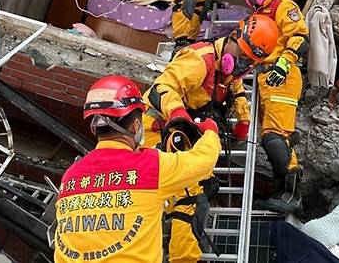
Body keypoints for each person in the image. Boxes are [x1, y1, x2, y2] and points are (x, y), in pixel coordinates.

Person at [142, 14, 278, 262]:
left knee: (196, 192)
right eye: (241, 56)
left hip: (186, 133)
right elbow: (161, 88)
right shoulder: (199, 60)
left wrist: (243, 120)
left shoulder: (228, 67)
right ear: (234, 37)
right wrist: (177, 112)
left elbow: (234, 88)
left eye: (249, 62)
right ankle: (179, 256)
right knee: (187, 198)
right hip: (161, 130)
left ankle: (176, 245)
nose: (241, 65)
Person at [53, 75, 221, 263]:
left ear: (94, 127)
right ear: (136, 126)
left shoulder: (71, 176)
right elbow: (203, 161)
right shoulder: (150, 167)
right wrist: (210, 132)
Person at [236, 0, 311, 214]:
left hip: (283, 76)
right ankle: (282, 193)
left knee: (274, 138)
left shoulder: (283, 6)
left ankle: (292, 196)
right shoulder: (256, 16)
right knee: (273, 138)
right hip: (265, 80)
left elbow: (300, 37)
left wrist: (284, 61)